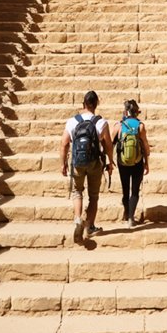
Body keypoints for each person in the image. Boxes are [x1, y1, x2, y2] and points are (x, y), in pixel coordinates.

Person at [60, 90, 114, 244]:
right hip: (94, 162)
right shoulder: (101, 122)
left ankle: (78, 219)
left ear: (83, 104)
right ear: (96, 104)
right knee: (94, 196)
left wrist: (63, 164)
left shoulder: (72, 121)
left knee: (77, 191)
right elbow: (108, 145)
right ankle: (89, 226)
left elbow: (64, 143)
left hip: (77, 162)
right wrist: (110, 162)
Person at [111, 99, 150, 228]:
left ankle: (127, 213)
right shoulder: (140, 126)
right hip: (137, 162)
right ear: (136, 112)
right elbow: (145, 146)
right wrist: (146, 163)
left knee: (125, 189)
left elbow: (110, 144)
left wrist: (110, 161)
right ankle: (131, 218)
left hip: (122, 162)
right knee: (135, 191)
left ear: (125, 112)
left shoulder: (118, 125)